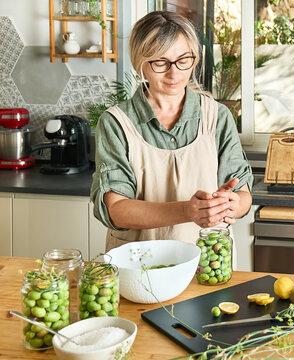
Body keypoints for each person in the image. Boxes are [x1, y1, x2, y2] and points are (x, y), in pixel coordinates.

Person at [90, 11, 253, 252]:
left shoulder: (216, 116)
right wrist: (187, 210)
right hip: (138, 263)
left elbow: (243, 196)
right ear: (140, 63)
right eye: (160, 62)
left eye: (183, 60)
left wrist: (230, 204)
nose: (174, 73)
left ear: (194, 59)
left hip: (208, 263)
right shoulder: (117, 123)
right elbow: (116, 210)